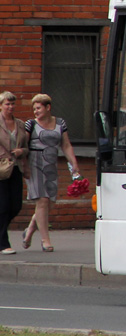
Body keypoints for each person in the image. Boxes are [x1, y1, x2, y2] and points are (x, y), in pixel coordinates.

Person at [22, 93, 80, 252]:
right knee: (42, 201)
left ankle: (29, 231)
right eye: (34, 109)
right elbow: (23, 146)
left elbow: (66, 145)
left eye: (39, 108)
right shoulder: (30, 124)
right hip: (34, 164)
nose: (36, 111)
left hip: (51, 164)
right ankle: (45, 240)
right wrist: (25, 166)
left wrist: (73, 162)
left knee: (49, 203)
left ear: (48, 107)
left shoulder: (60, 123)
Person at [0, 92, 29, 255]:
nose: (10, 107)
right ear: (1, 105)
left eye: (12, 104)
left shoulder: (19, 124)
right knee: (3, 206)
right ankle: (3, 243)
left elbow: (26, 147)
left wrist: (21, 151)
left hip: (16, 167)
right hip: (1, 168)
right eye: (7, 104)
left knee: (16, 205)